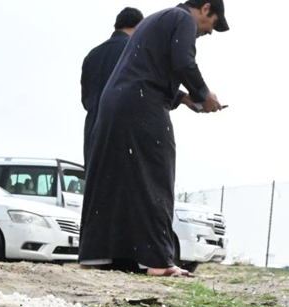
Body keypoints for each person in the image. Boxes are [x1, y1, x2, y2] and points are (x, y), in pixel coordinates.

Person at [78, 0, 229, 277]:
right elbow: (183, 61)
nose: (208, 32)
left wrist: (183, 98)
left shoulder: (154, 19)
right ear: (206, 8)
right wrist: (204, 94)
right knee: (156, 172)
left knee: (113, 178)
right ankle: (159, 261)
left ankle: (97, 254)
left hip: (116, 103)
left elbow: (147, 69)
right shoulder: (182, 19)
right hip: (141, 103)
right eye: (213, 24)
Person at [80, 7, 144, 170]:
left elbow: (85, 98)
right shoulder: (133, 50)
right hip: (123, 136)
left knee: (96, 191)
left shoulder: (92, 55)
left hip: (93, 134)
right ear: (139, 26)